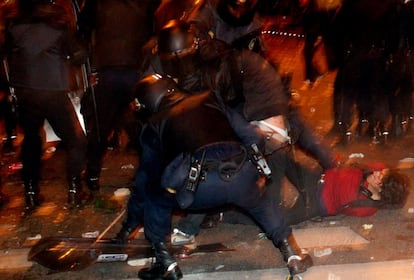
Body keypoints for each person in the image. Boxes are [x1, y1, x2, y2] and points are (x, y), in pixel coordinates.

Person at [118, 19, 337, 245]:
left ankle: (321, 185)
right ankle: (287, 222)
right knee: (243, 168)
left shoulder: (219, 64)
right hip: (235, 108)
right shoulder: (176, 62)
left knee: (238, 166)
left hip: (247, 107)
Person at [129, 74, 313, 279]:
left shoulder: (153, 125)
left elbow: (146, 178)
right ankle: (292, 253)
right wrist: (256, 169)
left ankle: (166, 263)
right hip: (238, 173)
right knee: (260, 202)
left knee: (155, 195)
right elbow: (252, 136)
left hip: (196, 189)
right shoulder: (210, 98)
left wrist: (132, 221)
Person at [1, 0, 88, 210]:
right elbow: (78, 54)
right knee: (75, 139)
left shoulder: (14, 24)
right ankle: (75, 189)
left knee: (32, 138)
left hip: (25, 90)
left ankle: (30, 192)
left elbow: (5, 54)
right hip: (52, 89)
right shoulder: (57, 22)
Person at [77, 0, 161, 192]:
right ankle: (148, 173)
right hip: (134, 68)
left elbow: (83, 26)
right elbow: (153, 26)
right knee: (140, 126)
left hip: (107, 69)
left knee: (100, 126)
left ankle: (92, 174)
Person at [220, 153, 411, 226]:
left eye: (381, 177)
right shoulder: (376, 167)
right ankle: (238, 172)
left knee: (274, 220)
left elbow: (340, 194)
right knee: (280, 155)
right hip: (316, 178)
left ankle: (223, 215)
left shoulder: (365, 207)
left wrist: (364, 177)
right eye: (383, 171)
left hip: (314, 204)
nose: (378, 172)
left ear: (382, 189)